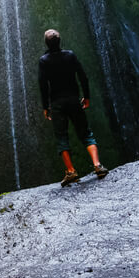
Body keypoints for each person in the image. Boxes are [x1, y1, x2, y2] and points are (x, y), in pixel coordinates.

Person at [38, 28, 108, 186]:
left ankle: (71, 171)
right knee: (85, 133)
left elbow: (43, 85)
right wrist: (87, 96)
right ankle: (97, 165)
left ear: (47, 43)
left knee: (61, 136)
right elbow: (83, 76)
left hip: (57, 103)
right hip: (73, 99)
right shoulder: (70, 55)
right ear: (59, 41)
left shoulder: (44, 61)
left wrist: (45, 107)